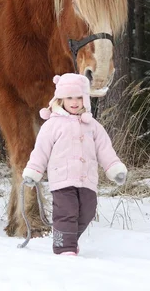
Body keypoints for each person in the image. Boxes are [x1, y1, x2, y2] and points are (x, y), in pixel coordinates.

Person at [22, 73, 127, 256]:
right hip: (62, 178)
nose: (74, 102)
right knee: (67, 212)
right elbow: (40, 150)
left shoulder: (92, 125)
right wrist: (33, 171)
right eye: (69, 97)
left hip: (87, 179)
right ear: (60, 99)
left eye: (79, 97)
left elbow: (105, 149)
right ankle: (65, 248)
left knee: (88, 211)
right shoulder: (52, 125)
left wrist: (113, 167)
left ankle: (66, 238)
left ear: (85, 98)